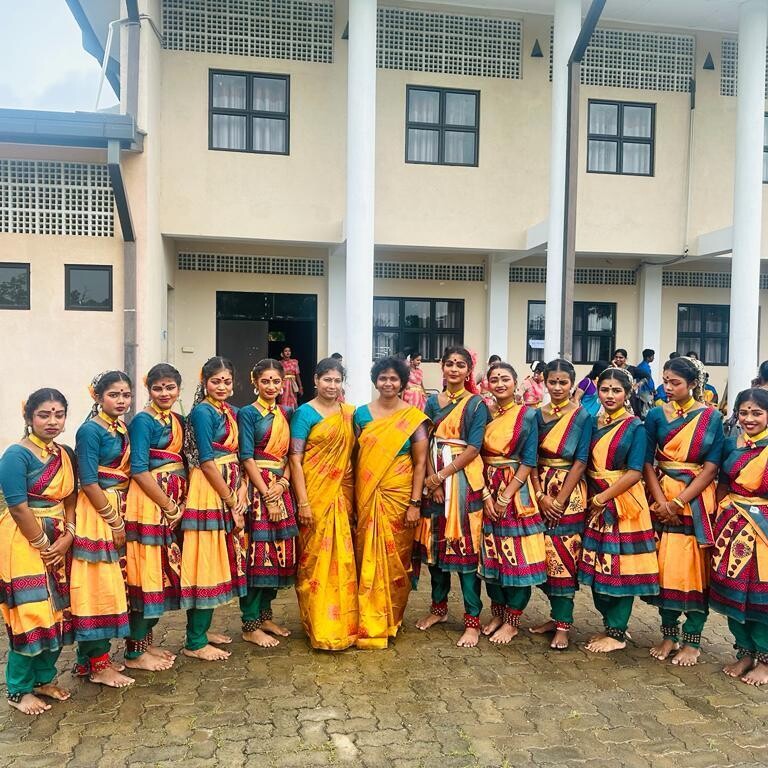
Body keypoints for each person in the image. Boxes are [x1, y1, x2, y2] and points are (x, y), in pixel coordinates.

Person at [643, 356, 723, 667]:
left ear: (692, 384)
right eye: (665, 381)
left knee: (693, 570)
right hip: (661, 496)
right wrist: (661, 501)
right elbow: (647, 461)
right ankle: (668, 634)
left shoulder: (710, 417)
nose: (668, 387)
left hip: (695, 501)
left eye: (675, 383)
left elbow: (711, 467)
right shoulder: (655, 414)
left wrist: (678, 503)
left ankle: (693, 639)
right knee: (664, 568)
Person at [0, 390, 76, 714]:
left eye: (59, 414)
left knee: (59, 611)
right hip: (25, 540)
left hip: (60, 537)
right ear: (29, 417)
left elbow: (71, 496)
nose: (52, 421)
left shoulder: (65, 453)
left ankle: (44, 679)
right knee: (31, 613)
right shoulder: (16, 455)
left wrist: (69, 534)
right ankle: (18, 690)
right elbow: (18, 506)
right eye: (44, 415)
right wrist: (44, 545)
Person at [579, 368, 659, 652]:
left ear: (627, 393)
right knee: (598, 568)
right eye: (605, 390)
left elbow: (635, 471)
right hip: (595, 500)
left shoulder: (635, 427)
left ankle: (617, 633)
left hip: (623, 504)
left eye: (616, 390)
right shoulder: (591, 421)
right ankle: (610, 625)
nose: (610, 395)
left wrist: (602, 499)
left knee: (622, 570)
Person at [415, 346, 490, 648]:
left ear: (469, 370)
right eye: (450, 364)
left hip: (463, 483)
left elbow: (473, 448)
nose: (455, 369)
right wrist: (431, 480)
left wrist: (441, 476)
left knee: (465, 550)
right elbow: (424, 441)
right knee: (435, 549)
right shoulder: (432, 402)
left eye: (461, 365)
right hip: (434, 482)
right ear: (442, 367)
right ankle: (439, 609)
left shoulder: (476, 404)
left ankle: (472, 620)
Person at [354, 357, 428, 648]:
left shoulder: (413, 418)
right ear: (375, 381)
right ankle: (367, 618)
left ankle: (391, 618)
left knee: (397, 560)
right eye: (383, 378)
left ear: (402, 383)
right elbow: (354, 457)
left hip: (400, 496)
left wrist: (415, 503)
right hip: (367, 494)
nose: (388, 383)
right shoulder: (360, 415)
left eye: (393, 378)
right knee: (366, 556)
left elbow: (420, 464)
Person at [180, 357, 248, 662]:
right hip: (209, 490)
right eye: (216, 381)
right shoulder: (203, 412)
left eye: (227, 381)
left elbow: (238, 454)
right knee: (205, 561)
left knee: (219, 560)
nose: (222, 386)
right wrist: (231, 500)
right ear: (204, 382)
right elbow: (206, 461)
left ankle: (202, 631)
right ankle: (194, 641)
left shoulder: (229, 411)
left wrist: (241, 488)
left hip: (229, 485)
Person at [70, 371, 135, 687]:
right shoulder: (90, 430)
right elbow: (88, 481)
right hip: (97, 512)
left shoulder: (119, 427)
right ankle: (98, 665)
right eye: (114, 394)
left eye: (126, 395)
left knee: (111, 583)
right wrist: (114, 519)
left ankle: (88, 661)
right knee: (99, 585)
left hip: (117, 503)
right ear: (97, 397)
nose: (121, 400)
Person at [290, 357, 357, 650]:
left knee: (343, 559)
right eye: (327, 379)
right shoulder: (304, 413)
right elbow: (295, 459)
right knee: (314, 560)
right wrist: (303, 503)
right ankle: (318, 625)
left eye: (337, 380)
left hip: (341, 495)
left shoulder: (349, 414)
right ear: (315, 380)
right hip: (315, 496)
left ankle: (344, 625)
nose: (332, 385)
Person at [124, 364, 186, 671]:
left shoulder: (176, 420)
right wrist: (169, 505)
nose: (164, 393)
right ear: (148, 390)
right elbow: (139, 469)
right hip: (150, 504)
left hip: (171, 505)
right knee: (148, 574)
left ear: (179, 389)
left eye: (170, 387)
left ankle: (145, 643)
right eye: (158, 388)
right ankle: (134, 653)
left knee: (163, 574)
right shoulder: (142, 421)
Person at [478, 362, 545, 644]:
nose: (499, 383)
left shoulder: (527, 415)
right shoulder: (483, 412)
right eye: (494, 379)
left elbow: (529, 460)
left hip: (516, 491)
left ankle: (513, 620)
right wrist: (485, 494)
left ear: (516, 383)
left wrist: (505, 496)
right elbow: (475, 453)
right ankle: (497, 612)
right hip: (486, 485)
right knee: (491, 552)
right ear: (488, 384)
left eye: (505, 378)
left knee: (518, 557)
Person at [530, 359, 592, 650]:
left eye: (563, 383)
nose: (557, 388)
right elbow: (530, 457)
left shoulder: (582, 416)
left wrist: (559, 499)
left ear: (572, 384)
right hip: (539, 490)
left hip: (569, 493)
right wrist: (540, 495)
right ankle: (555, 616)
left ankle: (564, 626)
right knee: (541, 554)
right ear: (544, 382)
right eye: (552, 382)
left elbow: (581, 461)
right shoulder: (536, 414)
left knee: (564, 556)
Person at [238, 359, 298, 648]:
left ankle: (265, 617)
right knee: (258, 556)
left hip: (281, 486)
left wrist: (283, 483)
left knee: (280, 554)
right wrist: (266, 495)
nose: (271, 386)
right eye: (265, 381)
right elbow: (247, 457)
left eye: (276, 381)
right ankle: (250, 624)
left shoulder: (287, 412)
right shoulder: (248, 413)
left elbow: (292, 455)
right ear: (255, 382)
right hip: (258, 488)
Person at [712, 388, 768, 685]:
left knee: (761, 596)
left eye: (757, 413)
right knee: (730, 588)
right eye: (744, 412)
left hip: (762, 529)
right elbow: (723, 482)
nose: (749, 419)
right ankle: (744, 652)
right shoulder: (732, 443)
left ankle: (765, 661)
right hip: (732, 525)